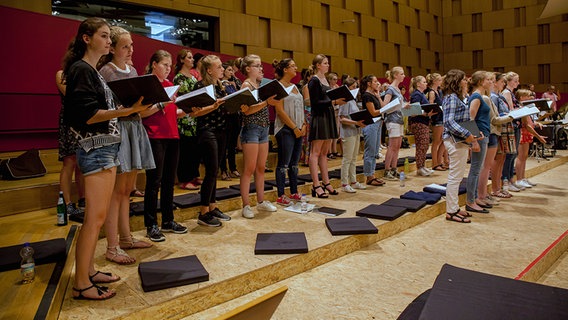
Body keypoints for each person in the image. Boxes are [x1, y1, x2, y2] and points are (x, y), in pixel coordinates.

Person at [63, 17, 150, 300]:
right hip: (96, 148)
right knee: (94, 219)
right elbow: (87, 115)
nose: (108, 41)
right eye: (103, 36)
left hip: (105, 147)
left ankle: (89, 270)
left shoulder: (91, 70)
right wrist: (124, 112)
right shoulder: (81, 70)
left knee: (97, 218)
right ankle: (81, 283)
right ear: (86, 38)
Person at [98, 26, 155, 263]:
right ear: (111, 48)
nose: (131, 50)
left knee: (126, 191)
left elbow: (137, 106)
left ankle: (126, 237)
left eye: (132, 45)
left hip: (135, 128)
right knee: (115, 192)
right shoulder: (107, 71)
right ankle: (112, 246)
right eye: (125, 46)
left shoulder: (132, 70)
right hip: (119, 130)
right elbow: (106, 109)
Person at [141, 50, 188, 242]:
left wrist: (188, 110)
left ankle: (168, 220)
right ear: (154, 64)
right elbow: (142, 113)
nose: (168, 69)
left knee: (169, 180)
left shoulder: (170, 85)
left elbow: (171, 112)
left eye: (170, 66)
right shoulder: (147, 84)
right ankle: (151, 224)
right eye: (164, 65)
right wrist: (162, 103)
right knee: (154, 181)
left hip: (172, 135)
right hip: (155, 136)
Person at [188, 55, 232, 226]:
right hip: (207, 131)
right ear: (209, 70)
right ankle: (203, 212)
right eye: (219, 67)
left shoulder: (220, 86)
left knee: (215, 171)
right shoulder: (200, 87)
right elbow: (195, 113)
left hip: (222, 130)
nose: (222, 69)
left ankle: (212, 206)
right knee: (212, 171)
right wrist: (212, 107)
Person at [237, 54, 279, 218]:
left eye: (261, 65)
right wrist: (266, 102)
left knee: (261, 168)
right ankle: (246, 204)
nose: (261, 68)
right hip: (251, 128)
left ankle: (261, 202)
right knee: (249, 168)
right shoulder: (246, 85)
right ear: (248, 69)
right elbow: (246, 110)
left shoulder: (262, 84)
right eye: (257, 66)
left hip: (263, 128)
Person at [442, 69, 478, 223]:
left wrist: (474, 134)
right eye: (463, 79)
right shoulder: (451, 98)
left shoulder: (458, 97)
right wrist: (467, 134)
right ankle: (450, 211)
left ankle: (455, 207)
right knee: (455, 177)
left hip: (460, 140)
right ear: (456, 82)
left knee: (457, 176)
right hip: (454, 140)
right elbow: (449, 122)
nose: (466, 82)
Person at [307, 54, 345, 198]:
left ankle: (326, 182)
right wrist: (334, 102)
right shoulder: (314, 81)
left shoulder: (325, 81)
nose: (328, 65)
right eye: (325, 63)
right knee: (315, 153)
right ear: (318, 65)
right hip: (320, 117)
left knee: (324, 153)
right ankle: (316, 184)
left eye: (327, 63)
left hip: (328, 116)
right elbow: (315, 103)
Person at [272, 58, 306, 205]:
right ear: (285, 69)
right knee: (283, 164)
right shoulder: (278, 86)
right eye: (292, 66)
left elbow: (300, 107)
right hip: (286, 129)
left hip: (298, 127)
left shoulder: (295, 86)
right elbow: (279, 110)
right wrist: (293, 127)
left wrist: (303, 124)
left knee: (294, 164)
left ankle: (294, 192)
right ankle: (280, 195)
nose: (296, 68)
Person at [477, 72, 514, 205]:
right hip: (490, 132)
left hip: (492, 132)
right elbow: (493, 119)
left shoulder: (487, 97)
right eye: (490, 80)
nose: (492, 83)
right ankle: (482, 195)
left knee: (487, 166)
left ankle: (485, 193)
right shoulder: (486, 98)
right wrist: (512, 116)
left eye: (492, 80)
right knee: (486, 167)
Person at [55, 70, 85, 219]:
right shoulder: (61, 74)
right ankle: (66, 203)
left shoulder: (87, 73)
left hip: (84, 120)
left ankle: (83, 199)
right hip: (69, 120)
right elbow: (73, 96)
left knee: (82, 162)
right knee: (69, 161)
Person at [464, 71, 492, 214]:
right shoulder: (476, 96)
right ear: (481, 81)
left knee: (478, 168)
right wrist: (473, 140)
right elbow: (470, 117)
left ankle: (475, 198)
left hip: (483, 135)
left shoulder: (479, 96)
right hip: (479, 137)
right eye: (488, 79)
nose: (490, 81)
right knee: (475, 169)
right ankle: (470, 201)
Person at [173, 49, 201, 191]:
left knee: (193, 149)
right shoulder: (179, 78)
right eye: (189, 57)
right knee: (185, 149)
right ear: (182, 60)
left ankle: (192, 175)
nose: (192, 60)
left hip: (193, 117)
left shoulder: (192, 77)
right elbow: (182, 98)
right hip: (184, 118)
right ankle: (184, 179)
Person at [338, 77, 367, 192]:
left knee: (354, 158)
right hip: (348, 132)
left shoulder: (353, 100)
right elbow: (342, 118)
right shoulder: (345, 101)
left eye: (356, 87)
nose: (356, 89)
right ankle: (344, 183)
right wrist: (356, 122)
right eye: (353, 87)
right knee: (347, 158)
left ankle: (353, 181)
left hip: (355, 131)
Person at [515, 89, 546, 187]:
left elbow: (530, 122)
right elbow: (526, 125)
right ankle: (518, 179)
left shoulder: (526, 108)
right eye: (527, 96)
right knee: (520, 157)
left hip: (527, 133)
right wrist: (538, 136)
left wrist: (535, 123)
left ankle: (523, 178)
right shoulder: (521, 108)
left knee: (524, 157)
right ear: (521, 98)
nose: (530, 98)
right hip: (523, 133)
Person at [359, 75, 385, 187]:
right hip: (371, 124)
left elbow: (383, 105)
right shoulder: (366, 95)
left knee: (375, 151)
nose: (377, 83)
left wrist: (379, 96)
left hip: (378, 123)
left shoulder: (374, 95)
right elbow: (373, 112)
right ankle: (369, 176)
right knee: (370, 151)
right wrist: (385, 109)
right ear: (369, 83)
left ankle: (372, 175)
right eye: (375, 81)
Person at [382, 66, 407, 180]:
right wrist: (400, 106)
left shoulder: (397, 89)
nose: (404, 76)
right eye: (401, 74)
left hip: (399, 119)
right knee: (392, 146)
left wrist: (405, 106)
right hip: (392, 119)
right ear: (396, 75)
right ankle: (387, 170)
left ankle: (394, 168)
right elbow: (384, 106)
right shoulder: (390, 89)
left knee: (397, 146)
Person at [501, 72, 523, 192]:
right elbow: (510, 111)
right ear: (509, 81)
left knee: (514, 154)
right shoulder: (506, 93)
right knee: (510, 154)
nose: (518, 83)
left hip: (516, 125)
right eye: (515, 81)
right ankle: (506, 179)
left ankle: (510, 179)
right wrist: (522, 109)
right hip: (512, 125)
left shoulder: (511, 93)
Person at [409, 75, 436, 176]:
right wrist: (426, 114)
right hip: (418, 122)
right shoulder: (416, 95)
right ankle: (419, 167)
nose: (426, 84)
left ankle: (422, 166)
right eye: (424, 82)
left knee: (424, 145)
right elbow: (414, 110)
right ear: (418, 84)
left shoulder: (421, 94)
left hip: (423, 121)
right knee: (421, 145)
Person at [219, 61, 241, 180]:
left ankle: (233, 168)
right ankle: (223, 170)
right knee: (225, 145)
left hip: (235, 116)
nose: (231, 72)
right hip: (226, 117)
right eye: (229, 70)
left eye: (232, 70)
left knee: (232, 145)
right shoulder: (221, 84)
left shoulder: (233, 83)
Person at [425, 73, 447, 171]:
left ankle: (439, 160)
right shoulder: (432, 92)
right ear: (434, 81)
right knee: (436, 142)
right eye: (439, 80)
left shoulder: (439, 91)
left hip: (442, 117)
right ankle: (434, 163)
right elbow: (430, 105)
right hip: (437, 118)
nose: (441, 82)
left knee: (443, 140)